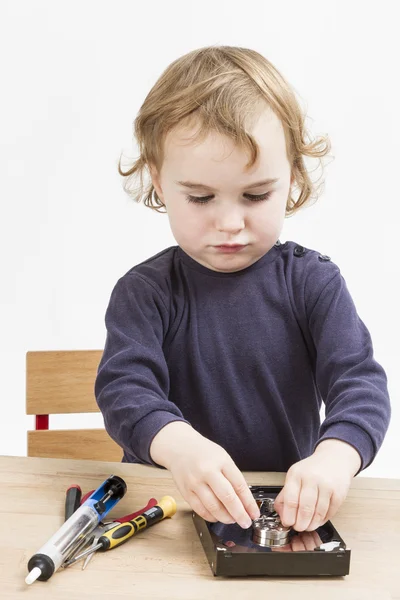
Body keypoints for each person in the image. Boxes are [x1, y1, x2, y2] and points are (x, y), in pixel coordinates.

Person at [95, 45, 391, 534]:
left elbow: (360, 385)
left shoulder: (314, 283)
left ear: (292, 178)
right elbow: (125, 390)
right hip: (163, 513)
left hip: (280, 522)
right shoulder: (144, 292)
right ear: (159, 182)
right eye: (200, 197)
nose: (230, 223)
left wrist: (335, 459)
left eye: (256, 195)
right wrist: (180, 446)